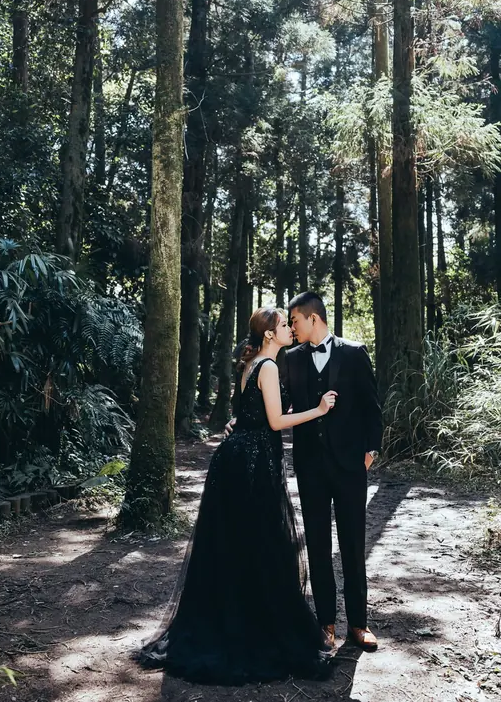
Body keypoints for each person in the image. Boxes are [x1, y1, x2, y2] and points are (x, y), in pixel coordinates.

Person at [136, 308, 337, 685]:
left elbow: (252, 414)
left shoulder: (253, 365)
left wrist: (237, 423)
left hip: (237, 460)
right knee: (261, 546)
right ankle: (253, 632)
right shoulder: (268, 367)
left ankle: (237, 622)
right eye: (283, 325)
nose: (289, 329)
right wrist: (319, 409)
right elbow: (275, 422)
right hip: (252, 466)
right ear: (269, 334)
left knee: (238, 547)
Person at [227, 291, 383, 652]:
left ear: (314, 318)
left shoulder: (354, 353)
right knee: (316, 543)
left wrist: (370, 452)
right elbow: (274, 404)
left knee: (353, 544)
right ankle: (325, 623)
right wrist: (242, 421)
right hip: (311, 467)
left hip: (350, 467)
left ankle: (358, 623)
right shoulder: (291, 358)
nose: (292, 327)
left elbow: (372, 408)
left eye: (295, 320)